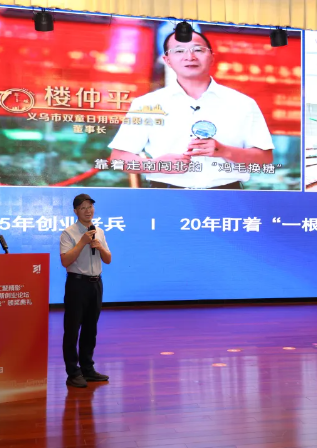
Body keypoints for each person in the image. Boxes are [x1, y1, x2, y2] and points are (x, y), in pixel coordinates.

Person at [108, 30, 275, 189]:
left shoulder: (243, 103)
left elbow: (265, 159)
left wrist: (225, 151)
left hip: (227, 196)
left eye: (198, 50)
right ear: (167, 60)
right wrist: (156, 165)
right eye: (179, 51)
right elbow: (118, 159)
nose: (190, 56)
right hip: (166, 195)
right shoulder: (146, 104)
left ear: (211, 57)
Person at [59, 194, 112, 388]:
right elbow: (65, 261)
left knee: (91, 329)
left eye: (90, 207)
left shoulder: (99, 231)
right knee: (72, 329)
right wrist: (82, 242)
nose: (88, 210)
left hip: (96, 283)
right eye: (83, 207)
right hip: (77, 284)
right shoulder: (68, 233)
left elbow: (108, 259)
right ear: (75, 211)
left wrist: (100, 247)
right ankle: (73, 372)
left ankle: (88, 369)